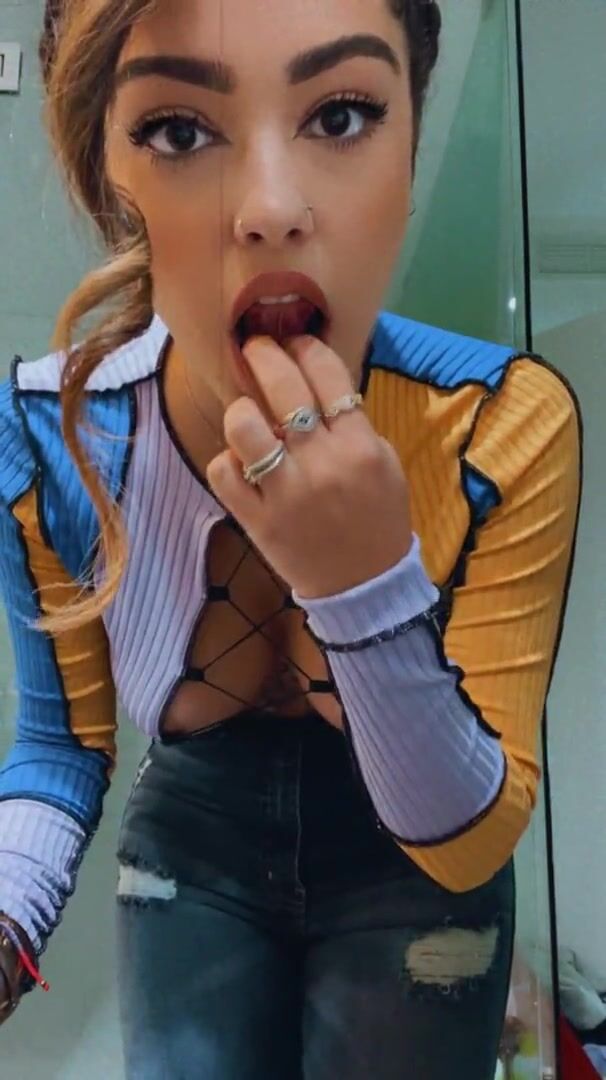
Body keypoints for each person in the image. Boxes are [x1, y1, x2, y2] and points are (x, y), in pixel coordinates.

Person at [0, 1, 581, 1077]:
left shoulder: (499, 424)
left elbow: (472, 838)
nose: (270, 210)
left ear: (413, 151)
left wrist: (364, 585)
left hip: (422, 865)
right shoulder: (52, 434)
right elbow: (59, 746)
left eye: (343, 114)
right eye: (179, 130)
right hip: (191, 850)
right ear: (105, 179)